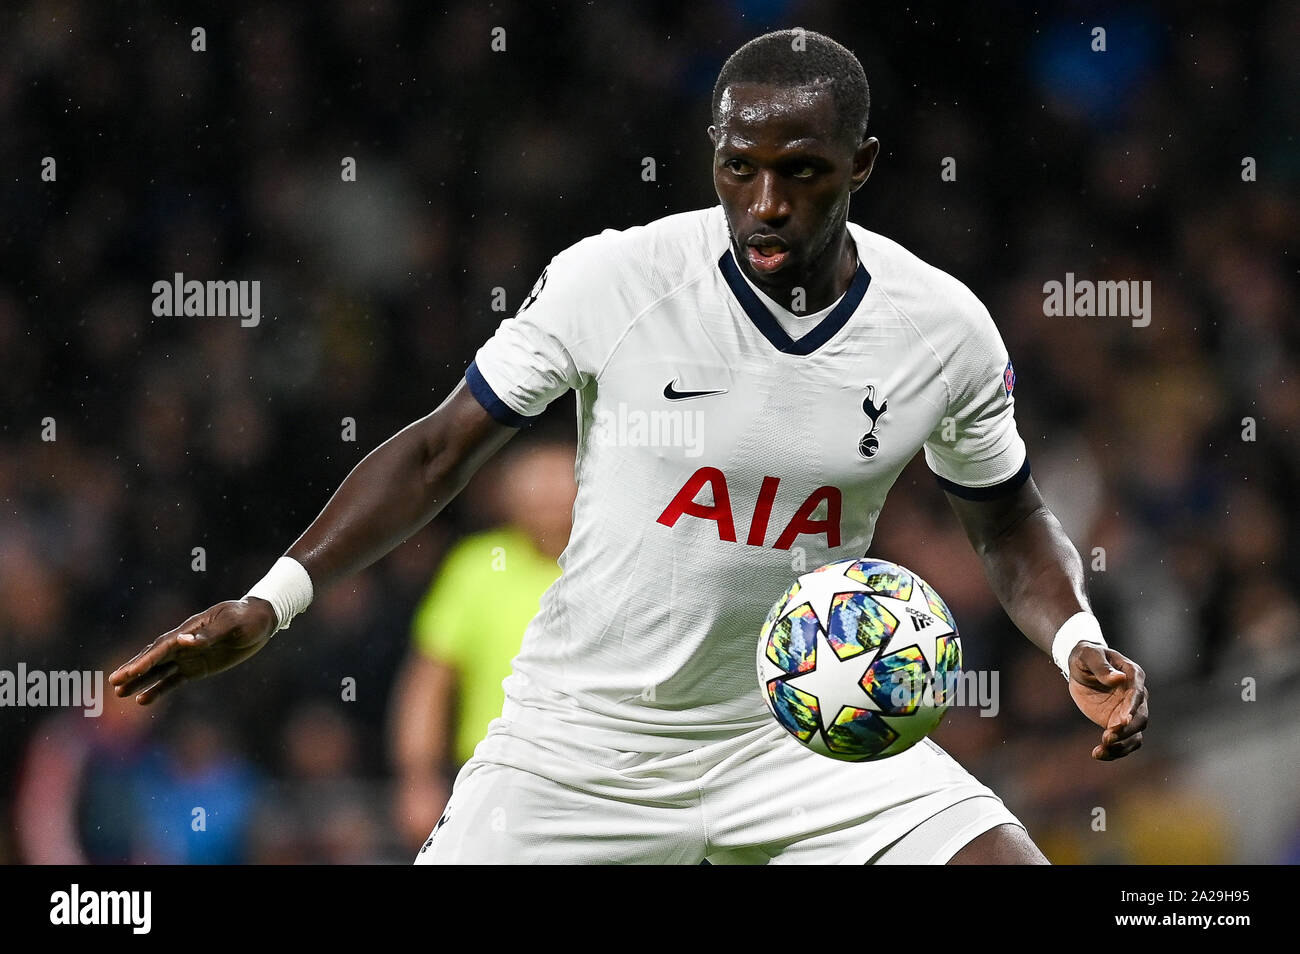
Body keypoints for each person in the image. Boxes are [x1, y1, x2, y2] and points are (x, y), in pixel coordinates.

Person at [111, 29, 1148, 864]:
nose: (767, 202)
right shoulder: (616, 279)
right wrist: (270, 600)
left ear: (862, 165)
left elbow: (1005, 511)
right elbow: (438, 452)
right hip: (582, 744)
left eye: (802, 172)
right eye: (739, 168)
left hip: (801, 729)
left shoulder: (941, 328)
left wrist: (1073, 640)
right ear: (712, 155)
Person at [387, 440, 576, 849]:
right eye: (533, 486)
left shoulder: (611, 565)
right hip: (491, 774)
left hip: (596, 774)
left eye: (557, 484)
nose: (545, 498)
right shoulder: (475, 566)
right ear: (507, 496)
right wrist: (417, 779)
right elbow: (429, 680)